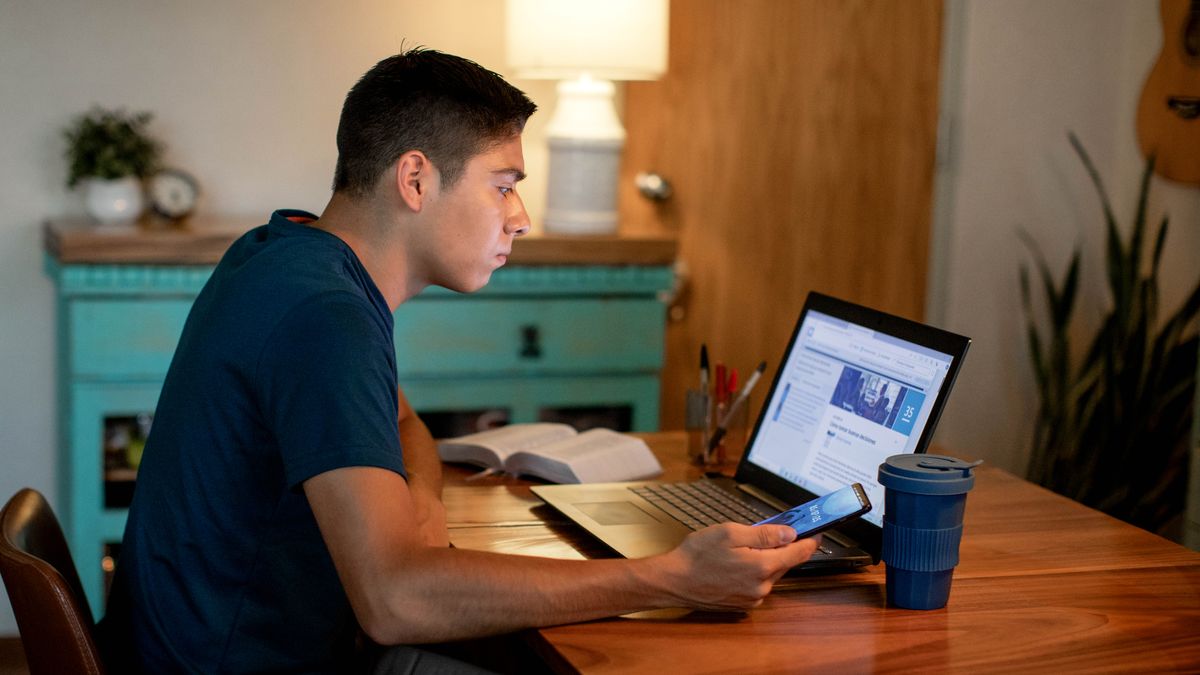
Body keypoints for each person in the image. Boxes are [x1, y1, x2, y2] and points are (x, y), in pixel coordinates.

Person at [101, 48, 819, 673]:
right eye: (503, 185)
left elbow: (402, 423)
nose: (520, 218)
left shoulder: (287, 251)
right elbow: (395, 600)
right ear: (415, 179)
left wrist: (420, 497)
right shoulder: (325, 316)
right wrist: (669, 577)